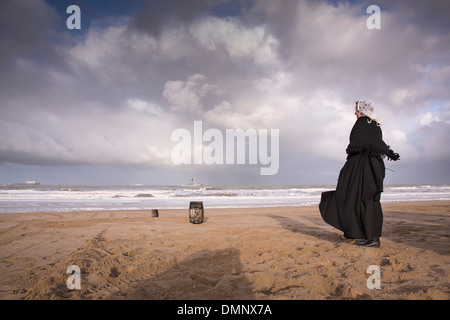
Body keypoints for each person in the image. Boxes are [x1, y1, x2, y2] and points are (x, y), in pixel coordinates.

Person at [319, 101, 400, 247]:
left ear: (361, 110)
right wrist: (389, 152)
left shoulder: (363, 123)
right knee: (366, 199)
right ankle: (365, 235)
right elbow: (376, 143)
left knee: (355, 197)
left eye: (356, 110)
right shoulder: (374, 125)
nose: (354, 113)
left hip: (362, 167)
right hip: (372, 167)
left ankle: (371, 238)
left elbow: (358, 144)